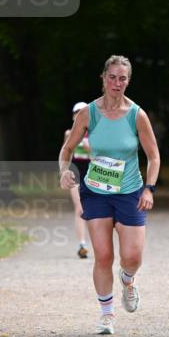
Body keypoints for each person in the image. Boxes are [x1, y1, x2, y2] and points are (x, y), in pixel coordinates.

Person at [59, 55, 160, 335]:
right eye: (112, 77)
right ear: (103, 78)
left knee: (133, 257)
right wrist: (64, 170)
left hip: (129, 192)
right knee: (103, 256)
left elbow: (153, 157)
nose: (117, 83)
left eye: (123, 78)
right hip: (96, 191)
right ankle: (106, 315)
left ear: (129, 81)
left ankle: (128, 280)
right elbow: (67, 149)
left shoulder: (136, 115)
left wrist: (149, 188)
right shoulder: (88, 113)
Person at [64, 102, 91, 259]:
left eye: (83, 112)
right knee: (80, 209)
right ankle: (82, 244)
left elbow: (100, 158)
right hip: (76, 174)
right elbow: (65, 153)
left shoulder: (95, 133)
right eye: (77, 112)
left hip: (93, 175)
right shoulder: (69, 133)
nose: (80, 114)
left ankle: (99, 243)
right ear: (73, 115)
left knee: (95, 210)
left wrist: (90, 148)